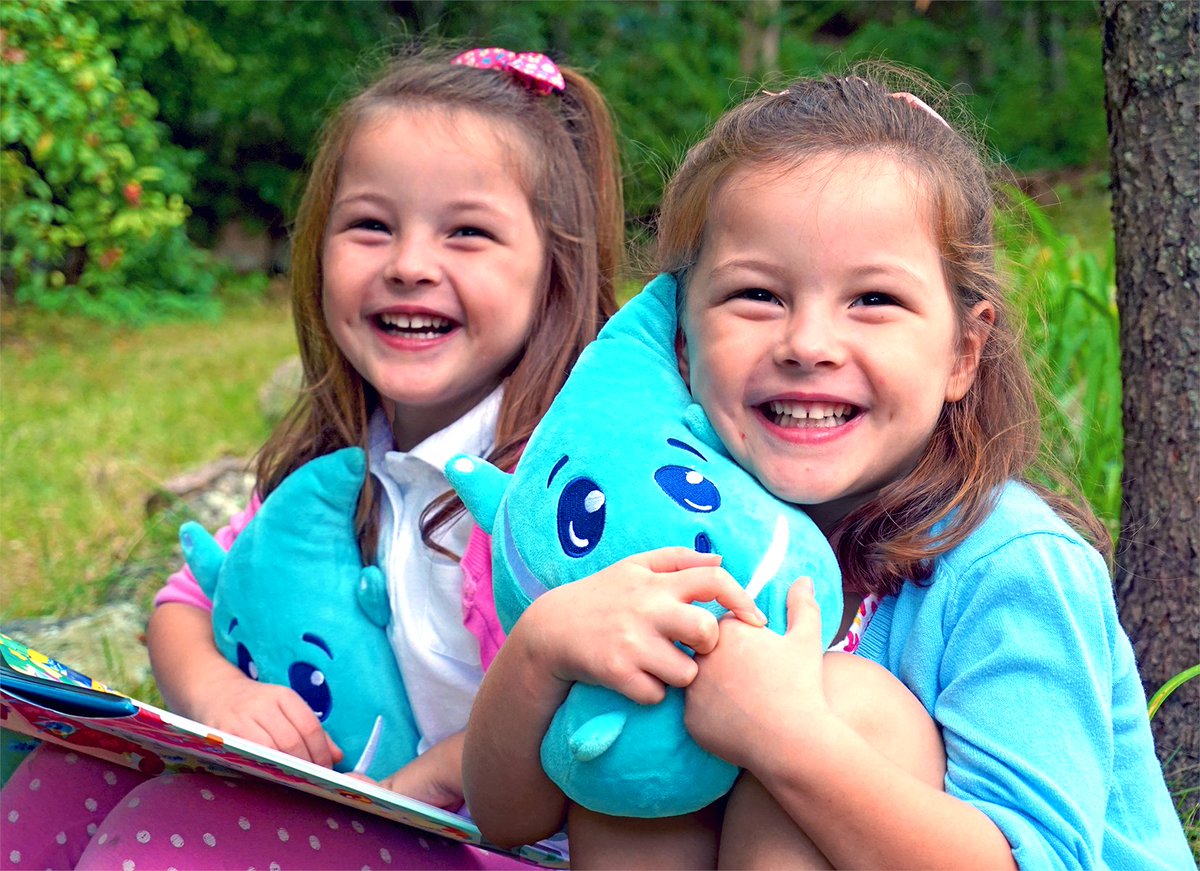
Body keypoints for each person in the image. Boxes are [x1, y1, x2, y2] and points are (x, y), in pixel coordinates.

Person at [461, 68, 1194, 869]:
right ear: (680, 340)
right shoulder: (678, 529)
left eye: (873, 299)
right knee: (642, 778)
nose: (808, 343)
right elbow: (509, 817)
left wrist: (789, 739)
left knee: (841, 703)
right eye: (758, 295)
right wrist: (540, 650)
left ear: (963, 350)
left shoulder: (1012, 565)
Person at [1, 44, 623, 870]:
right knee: (58, 777)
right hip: (360, 811)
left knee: (169, 826)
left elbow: (613, 701)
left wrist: (437, 777)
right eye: (370, 226)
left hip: (511, 843)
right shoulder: (342, 460)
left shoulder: (564, 490)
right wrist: (221, 693)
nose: (408, 265)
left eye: (467, 233)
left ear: (556, 269)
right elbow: (186, 600)